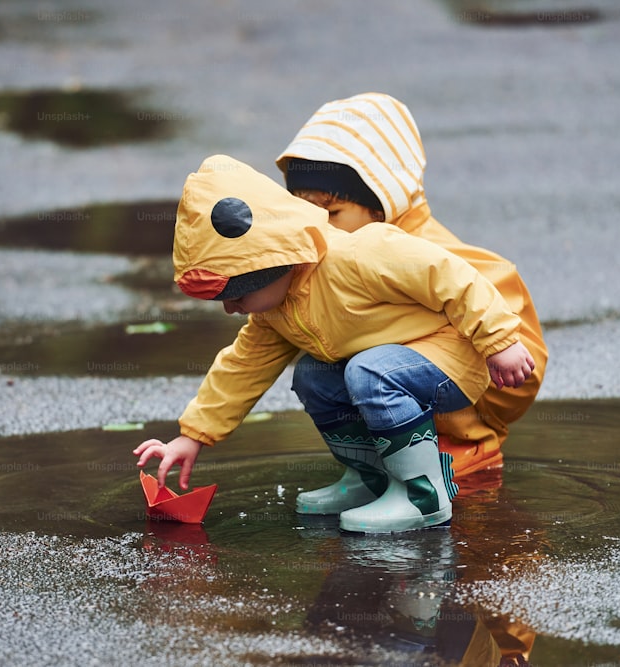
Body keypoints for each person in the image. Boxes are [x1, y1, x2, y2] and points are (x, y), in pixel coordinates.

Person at [133, 154, 535, 534]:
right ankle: (372, 479)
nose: (230, 309)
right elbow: (240, 368)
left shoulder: (359, 254)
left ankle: (423, 497)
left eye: (237, 295)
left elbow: (452, 276)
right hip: (391, 367)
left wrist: (498, 341)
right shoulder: (274, 312)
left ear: (273, 264)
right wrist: (193, 435)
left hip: (453, 359)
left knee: (368, 373)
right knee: (313, 375)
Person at [275, 92, 548, 498]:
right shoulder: (329, 256)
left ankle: (459, 452)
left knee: (375, 368)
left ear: (384, 202)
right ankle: (373, 468)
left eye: (331, 213)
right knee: (317, 373)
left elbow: (512, 340)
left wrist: (498, 347)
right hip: (390, 379)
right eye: (305, 212)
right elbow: (257, 345)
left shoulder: (435, 258)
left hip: (462, 392)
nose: (319, 226)